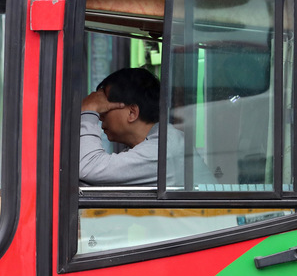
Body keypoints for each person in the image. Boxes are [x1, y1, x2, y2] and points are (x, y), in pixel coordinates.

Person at [80, 67, 214, 187]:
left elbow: (87, 167)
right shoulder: (153, 145)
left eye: (105, 109)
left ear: (132, 112)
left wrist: (88, 110)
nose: (100, 116)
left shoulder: (162, 150)